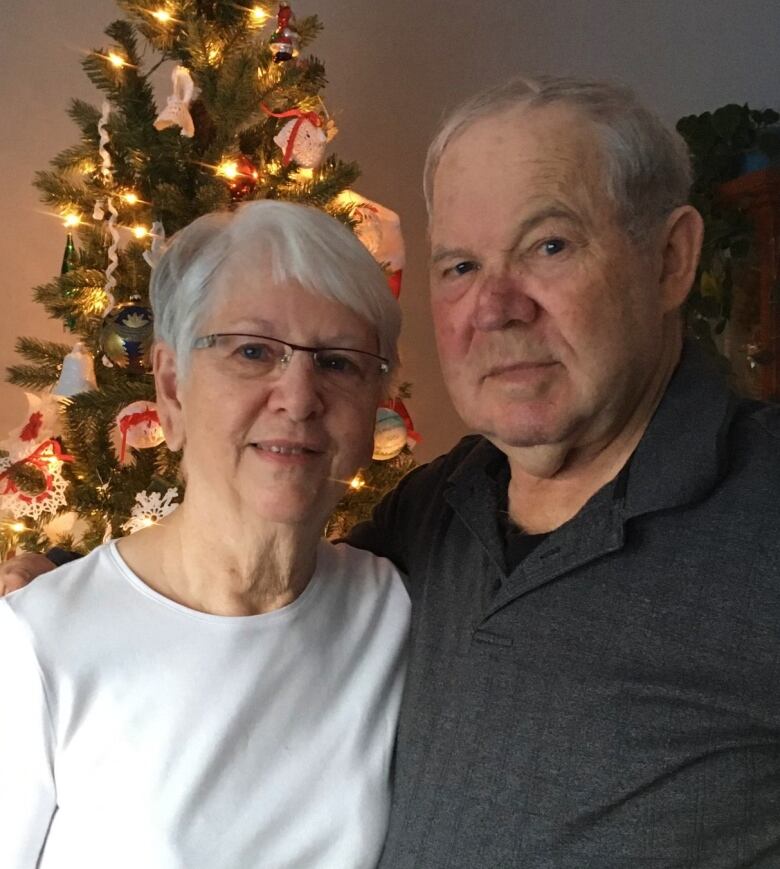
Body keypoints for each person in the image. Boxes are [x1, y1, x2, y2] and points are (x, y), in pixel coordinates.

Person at [5, 76, 780, 867]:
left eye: (549, 245)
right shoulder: (440, 511)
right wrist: (59, 595)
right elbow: (245, 580)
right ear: (171, 385)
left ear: (671, 260)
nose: (497, 306)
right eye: (460, 266)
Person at [0, 200, 410, 868]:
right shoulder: (36, 642)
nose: (299, 397)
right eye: (252, 351)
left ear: (373, 408)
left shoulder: (394, 609)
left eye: (339, 362)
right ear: (171, 387)